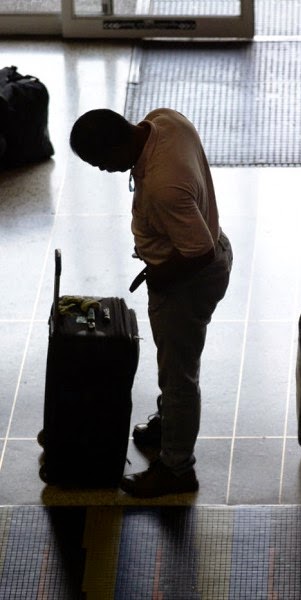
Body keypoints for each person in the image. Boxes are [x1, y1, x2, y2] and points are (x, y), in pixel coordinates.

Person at [69, 108, 232, 498]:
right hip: (207, 249)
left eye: (102, 162)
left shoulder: (162, 186)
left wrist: (159, 277)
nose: (103, 171)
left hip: (186, 281)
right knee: (170, 364)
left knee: (178, 375)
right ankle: (168, 424)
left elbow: (199, 252)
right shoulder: (164, 121)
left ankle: (176, 467)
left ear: (120, 143)